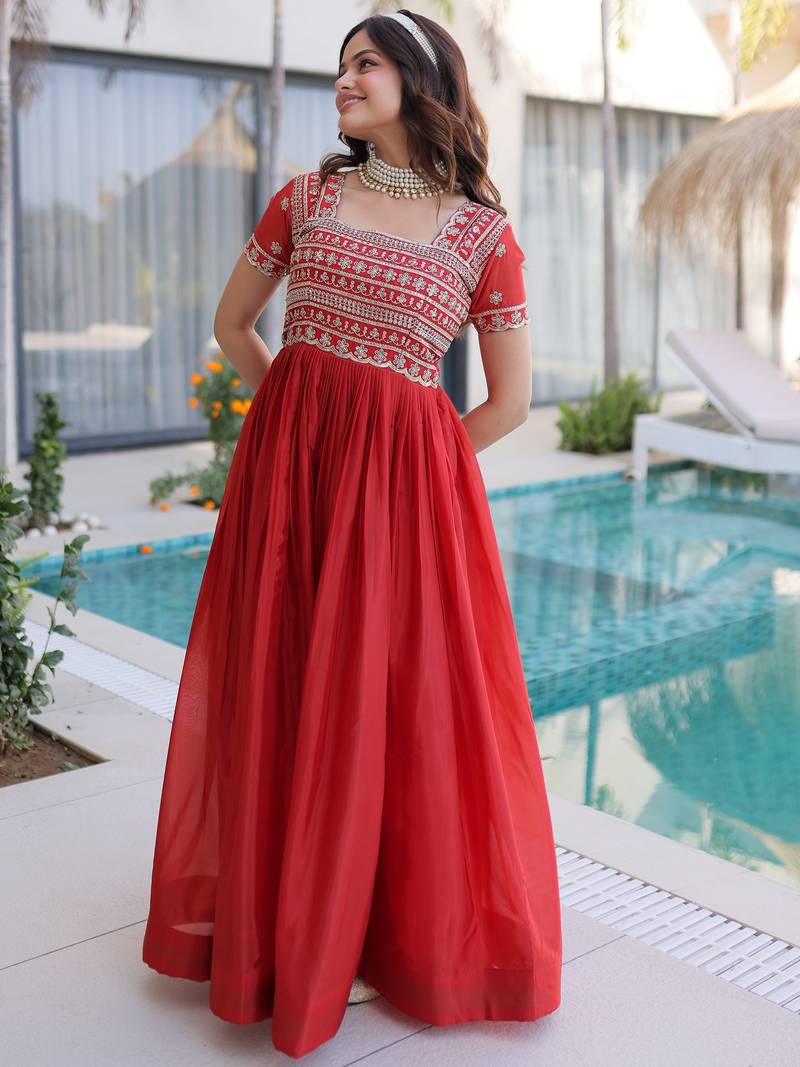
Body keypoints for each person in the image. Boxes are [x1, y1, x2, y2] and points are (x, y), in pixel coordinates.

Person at [141, 8, 562, 1060]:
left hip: (400, 509)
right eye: (339, 66)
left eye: (364, 64)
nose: (343, 80)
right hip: (288, 487)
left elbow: (510, 404)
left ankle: (365, 932)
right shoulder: (306, 199)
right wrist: (289, 417)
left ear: (420, 79)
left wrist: (416, 474)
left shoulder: (482, 235)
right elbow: (233, 325)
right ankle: (273, 920)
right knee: (280, 684)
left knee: (377, 710)